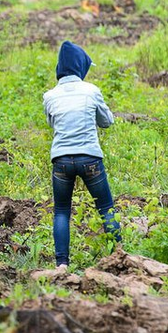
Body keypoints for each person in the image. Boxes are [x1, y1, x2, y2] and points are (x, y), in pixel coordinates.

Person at [44, 41, 121, 269]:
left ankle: (61, 265)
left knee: (61, 211)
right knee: (106, 208)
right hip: (90, 158)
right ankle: (118, 257)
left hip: (61, 160)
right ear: (80, 66)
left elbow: (52, 122)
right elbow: (107, 121)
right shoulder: (91, 91)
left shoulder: (50, 95)